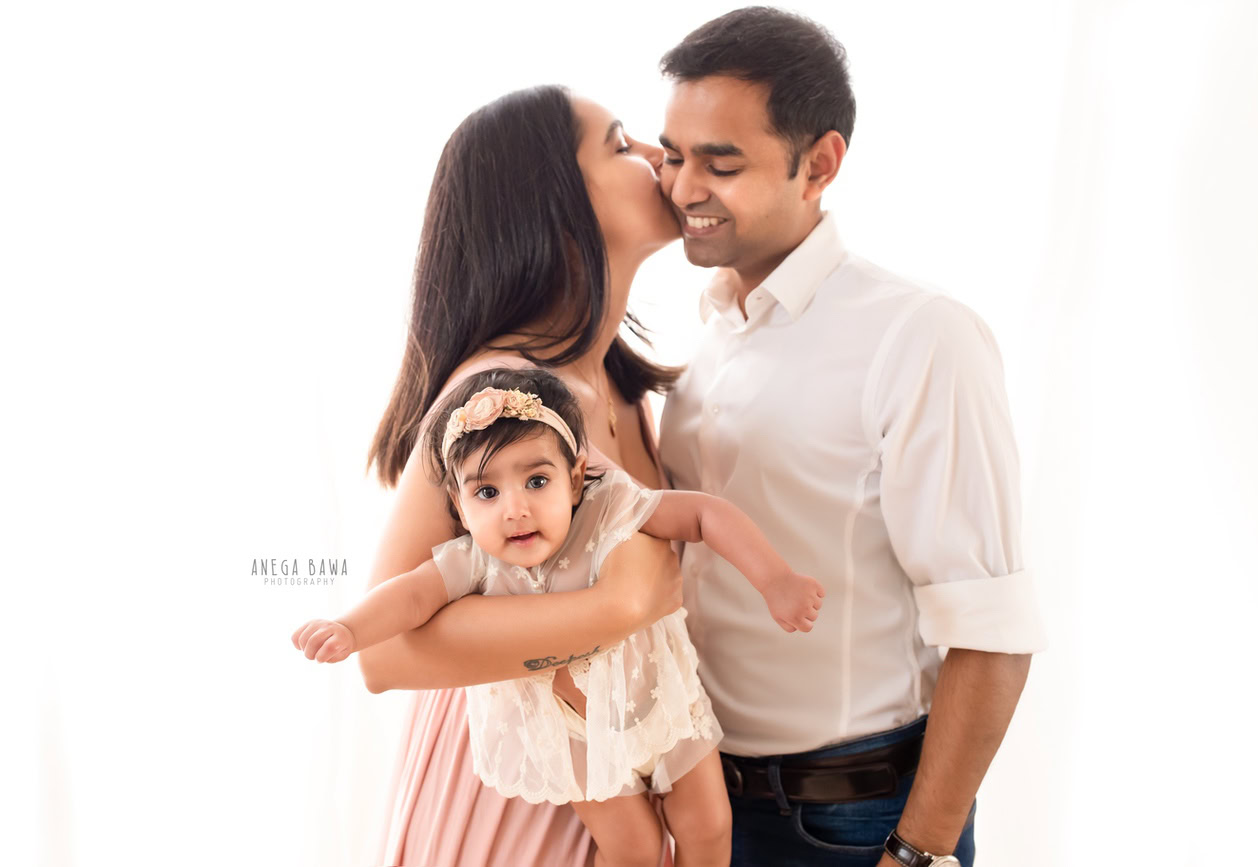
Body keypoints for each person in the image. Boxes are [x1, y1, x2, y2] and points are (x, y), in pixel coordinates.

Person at [655, 9, 1049, 866]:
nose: (683, 186)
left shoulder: (919, 335)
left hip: (853, 825)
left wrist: (919, 853)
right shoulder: (705, 333)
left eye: (721, 162)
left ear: (821, 164)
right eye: (673, 154)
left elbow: (994, 629)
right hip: (704, 816)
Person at [360, 85, 696, 866]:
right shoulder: (499, 387)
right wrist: (618, 606)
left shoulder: (621, 389)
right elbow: (384, 654)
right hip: (512, 791)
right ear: (552, 203)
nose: (657, 157)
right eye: (620, 143)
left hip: (609, 772)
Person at [298, 368, 823, 866]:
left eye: (536, 481)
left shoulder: (608, 507)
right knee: (633, 848)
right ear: (460, 509)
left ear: (574, 480)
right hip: (569, 736)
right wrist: (350, 628)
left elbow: (704, 513)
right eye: (487, 492)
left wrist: (774, 580)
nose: (514, 508)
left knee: (707, 825)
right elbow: (408, 597)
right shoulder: (472, 560)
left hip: (659, 703)